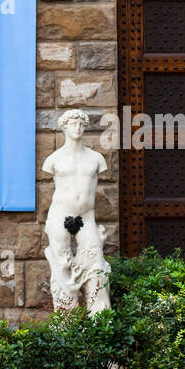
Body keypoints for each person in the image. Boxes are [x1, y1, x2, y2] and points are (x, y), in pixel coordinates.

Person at [42, 109, 111, 313]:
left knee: (96, 265)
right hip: (60, 215)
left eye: (81, 124)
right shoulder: (54, 159)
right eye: (73, 124)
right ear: (64, 127)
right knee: (62, 268)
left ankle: (99, 320)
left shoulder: (96, 159)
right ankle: (66, 323)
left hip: (86, 217)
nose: (78, 128)